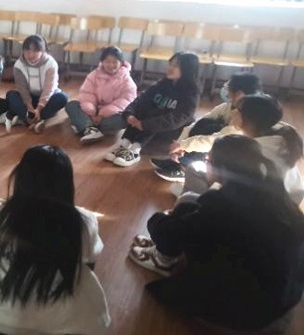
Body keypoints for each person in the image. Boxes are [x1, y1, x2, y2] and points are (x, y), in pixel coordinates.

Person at [128, 135, 304, 332]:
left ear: (223, 169)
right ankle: (164, 254)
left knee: (175, 224)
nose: (206, 163)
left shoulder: (224, 206)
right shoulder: (275, 195)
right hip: (283, 300)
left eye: (209, 160)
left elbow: (172, 233)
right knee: (188, 204)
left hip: (248, 314)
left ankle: (163, 259)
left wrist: (158, 218)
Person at [0, 145, 111, 335]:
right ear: (67, 184)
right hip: (57, 324)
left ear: (19, 177)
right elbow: (89, 259)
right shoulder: (85, 222)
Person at [152, 72, 262, 182]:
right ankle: (179, 160)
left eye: (229, 88)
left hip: (236, 160)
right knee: (204, 124)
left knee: (210, 133)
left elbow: (217, 141)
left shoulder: (248, 118)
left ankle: (186, 169)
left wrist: (183, 145)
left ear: (239, 94)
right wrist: (180, 146)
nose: (226, 91)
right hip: (224, 147)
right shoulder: (229, 106)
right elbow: (198, 123)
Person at [104, 52, 200, 167]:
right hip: (148, 129)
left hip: (170, 132)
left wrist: (145, 124)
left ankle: (135, 150)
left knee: (157, 112)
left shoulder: (191, 93)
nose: (170, 68)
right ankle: (124, 144)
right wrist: (129, 114)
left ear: (187, 70)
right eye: (170, 64)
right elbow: (141, 99)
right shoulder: (161, 84)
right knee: (144, 107)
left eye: (175, 66)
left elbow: (176, 119)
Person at [65, 46, 137, 144]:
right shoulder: (93, 75)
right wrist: (92, 112)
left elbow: (124, 102)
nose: (111, 65)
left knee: (124, 119)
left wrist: (102, 114)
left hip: (110, 115)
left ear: (121, 63)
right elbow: (86, 94)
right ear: (102, 62)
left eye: (114, 62)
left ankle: (85, 126)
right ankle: (92, 130)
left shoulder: (128, 81)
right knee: (71, 105)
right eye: (107, 61)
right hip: (92, 113)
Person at [5, 35, 68, 133]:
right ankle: (36, 120)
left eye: (35, 51)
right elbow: (22, 89)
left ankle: (26, 118)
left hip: (47, 98)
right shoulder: (18, 65)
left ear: (43, 51)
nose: (31, 55)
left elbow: (49, 89)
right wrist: (30, 107)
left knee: (62, 98)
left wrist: (38, 108)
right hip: (29, 97)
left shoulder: (51, 64)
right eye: (27, 51)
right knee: (11, 95)